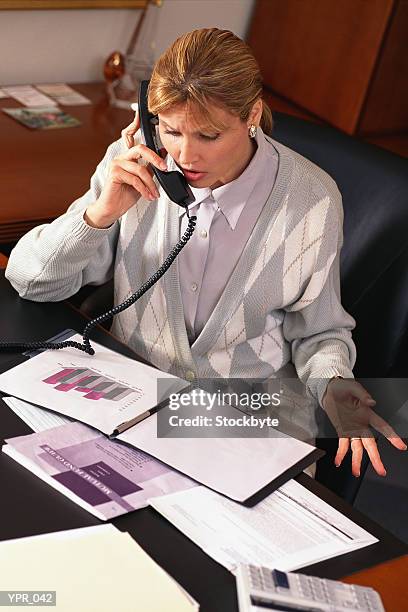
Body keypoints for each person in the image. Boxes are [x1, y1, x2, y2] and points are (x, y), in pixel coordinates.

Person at [6, 28, 405, 478]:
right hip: (133, 407)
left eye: (209, 135)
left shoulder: (312, 200)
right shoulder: (136, 163)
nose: (185, 155)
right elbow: (32, 282)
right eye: (171, 130)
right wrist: (100, 215)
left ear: (252, 114)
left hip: (253, 425)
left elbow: (319, 332)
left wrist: (337, 389)